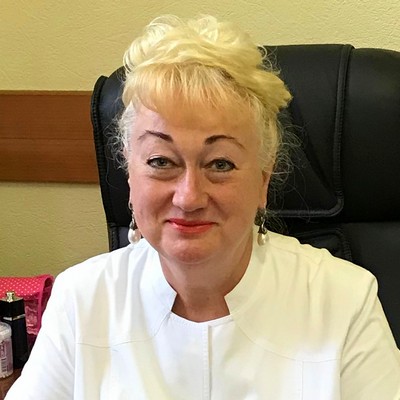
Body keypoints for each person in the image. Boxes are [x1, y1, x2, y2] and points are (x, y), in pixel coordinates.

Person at [6, 15, 400, 400]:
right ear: (129, 175)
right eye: (161, 161)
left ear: (263, 180)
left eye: (220, 164)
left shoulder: (343, 300)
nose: (189, 197)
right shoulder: (82, 300)